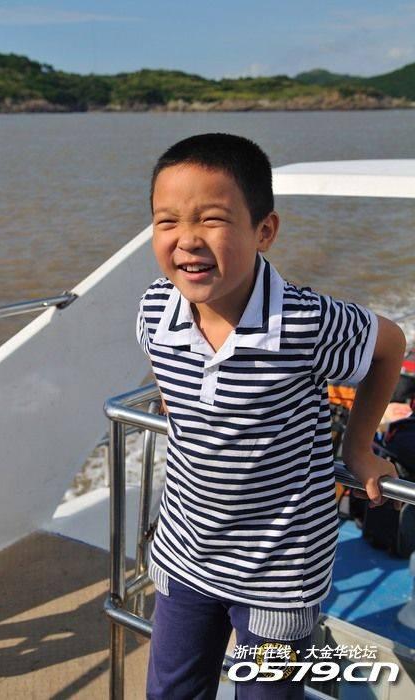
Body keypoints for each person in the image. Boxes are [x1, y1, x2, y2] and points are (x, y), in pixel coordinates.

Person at [136, 133, 406, 699]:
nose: (187, 238)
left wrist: (357, 449)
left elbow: (389, 345)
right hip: (185, 551)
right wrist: (181, 399)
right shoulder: (155, 307)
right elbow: (167, 375)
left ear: (264, 231)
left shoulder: (306, 322)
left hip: (279, 572)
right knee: (170, 690)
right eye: (167, 221)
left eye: (212, 219)